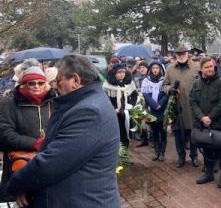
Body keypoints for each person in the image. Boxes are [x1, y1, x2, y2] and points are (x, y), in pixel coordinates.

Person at [5, 55, 120, 207]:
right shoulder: (88, 102)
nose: (54, 86)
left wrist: (15, 184)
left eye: (58, 81)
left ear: (75, 80)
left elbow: (50, 165)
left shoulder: (89, 111)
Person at [0, 63, 56, 203]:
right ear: (23, 84)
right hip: (19, 163)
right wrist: (35, 143)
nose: (36, 86)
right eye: (31, 83)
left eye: (40, 83)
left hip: (47, 161)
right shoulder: (10, 103)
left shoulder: (54, 102)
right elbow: (5, 133)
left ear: (46, 84)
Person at [190, 57, 221, 188]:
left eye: (211, 66)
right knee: (206, 147)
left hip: (217, 122)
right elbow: (192, 101)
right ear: (201, 69)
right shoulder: (196, 84)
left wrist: (210, 117)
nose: (209, 69)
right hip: (202, 123)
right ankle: (209, 172)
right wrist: (202, 117)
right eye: (206, 67)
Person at [162, 45, 200, 168]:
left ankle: (194, 157)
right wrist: (170, 90)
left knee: (193, 133)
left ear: (187, 54)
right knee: (178, 133)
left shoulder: (196, 67)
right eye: (178, 55)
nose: (181, 56)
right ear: (175, 56)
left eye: (183, 54)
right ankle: (181, 157)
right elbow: (164, 85)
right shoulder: (170, 69)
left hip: (192, 106)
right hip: (177, 106)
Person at [103, 63, 138, 148]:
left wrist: (130, 105)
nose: (122, 74)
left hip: (126, 112)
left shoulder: (129, 83)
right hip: (115, 113)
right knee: (117, 133)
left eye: (123, 72)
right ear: (115, 73)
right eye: (119, 72)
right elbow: (105, 98)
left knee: (126, 133)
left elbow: (134, 94)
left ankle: (125, 154)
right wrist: (113, 108)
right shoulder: (108, 85)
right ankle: (118, 156)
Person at [142, 60, 169, 161]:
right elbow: (146, 95)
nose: (155, 70)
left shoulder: (165, 80)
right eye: (153, 68)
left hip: (162, 110)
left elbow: (167, 94)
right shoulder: (146, 81)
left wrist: (160, 104)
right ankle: (156, 151)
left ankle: (162, 152)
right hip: (152, 109)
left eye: (157, 68)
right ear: (150, 70)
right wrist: (154, 105)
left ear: (161, 69)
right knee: (154, 131)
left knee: (163, 131)